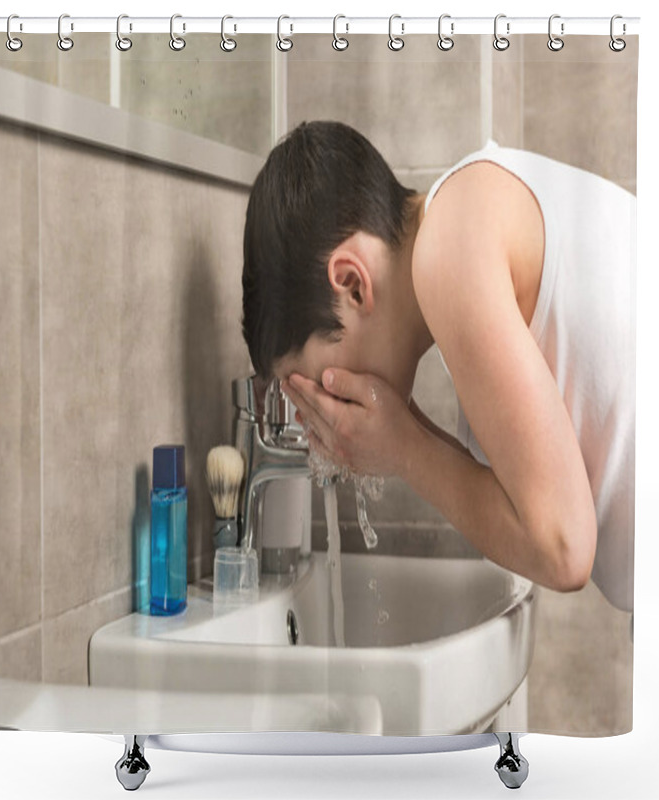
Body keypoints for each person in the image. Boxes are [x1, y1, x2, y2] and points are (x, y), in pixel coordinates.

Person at [242, 120, 635, 614]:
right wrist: (403, 434)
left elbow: (562, 549)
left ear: (352, 284)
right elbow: (530, 508)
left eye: (318, 381)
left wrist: (403, 447)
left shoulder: (449, 249)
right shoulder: (465, 216)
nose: (323, 402)